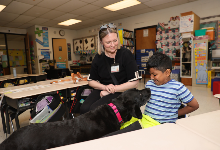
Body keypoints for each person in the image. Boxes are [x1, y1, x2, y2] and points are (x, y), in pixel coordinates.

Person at [103, 52, 199, 137]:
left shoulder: (178, 88)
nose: (151, 77)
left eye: (155, 74)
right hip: (145, 119)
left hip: (158, 125)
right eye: (150, 74)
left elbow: (194, 105)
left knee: (124, 134)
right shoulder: (150, 84)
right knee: (121, 126)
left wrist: (175, 113)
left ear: (167, 72)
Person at [80, 23, 141, 114]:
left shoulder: (125, 54)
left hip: (122, 90)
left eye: (115, 40)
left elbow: (135, 83)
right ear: (101, 42)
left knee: (95, 110)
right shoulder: (98, 58)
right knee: (84, 109)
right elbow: (91, 81)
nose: (113, 45)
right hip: (104, 88)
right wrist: (105, 87)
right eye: (108, 42)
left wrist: (112, 90)